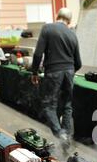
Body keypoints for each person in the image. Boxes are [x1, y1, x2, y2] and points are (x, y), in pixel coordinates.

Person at [31, 8, 82, 147]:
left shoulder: (47, 28)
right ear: (69, 21)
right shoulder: (72, 34)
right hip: (70, 72)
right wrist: (69, 72)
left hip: (53, 71)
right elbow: (79, 62)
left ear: (57, 16)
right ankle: (67, 139)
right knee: (67, 106)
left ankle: (60, 134)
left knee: (48, 105)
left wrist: (34, 72)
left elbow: (37, 54)